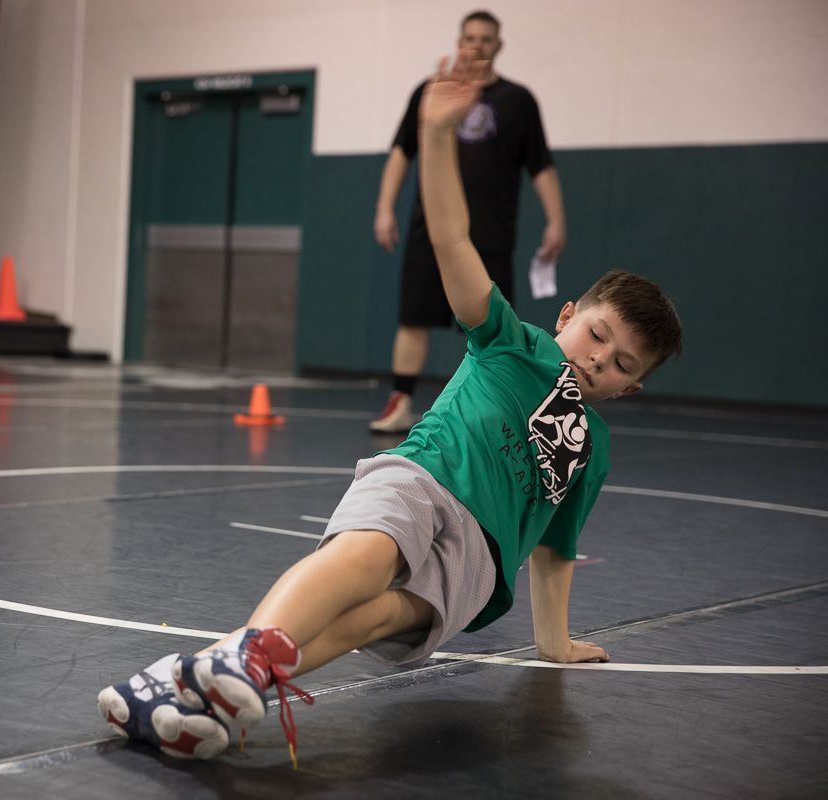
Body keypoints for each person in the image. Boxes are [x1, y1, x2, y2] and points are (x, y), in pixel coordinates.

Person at [97, 48, 683, 764]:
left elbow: (556, 550)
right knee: (367, 557)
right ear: (566, 314)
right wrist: (437, 137)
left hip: (481, 566)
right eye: (597, 334)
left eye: (622, 364)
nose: (599, 360)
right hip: (425, 480)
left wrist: (554, 643)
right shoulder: (511, 343)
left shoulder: (593, 445)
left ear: (633, 387)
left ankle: (184, 693)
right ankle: (238, 662)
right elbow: (450, 237)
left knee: (367, 620)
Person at [371, 9, 567, 433]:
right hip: (431, 230)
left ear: (499, 46)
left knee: (491, 324)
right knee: (414, 316)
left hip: (491, 233)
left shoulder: (519, 100)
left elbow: (542, 165)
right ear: (459, 42)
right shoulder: (430, 91)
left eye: (485, 38)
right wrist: (385, 207)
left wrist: (556, 220)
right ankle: (399, 401)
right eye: (470, 37)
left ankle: (490, 411)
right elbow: (402, 152)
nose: (476, 45)